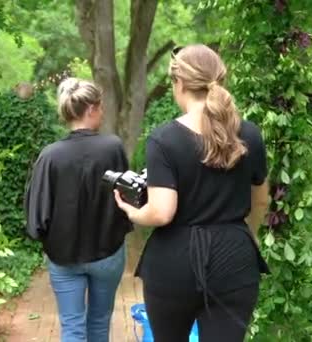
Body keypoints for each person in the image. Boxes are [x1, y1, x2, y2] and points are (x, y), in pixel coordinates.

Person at [113, 44, 270, 342]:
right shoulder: (249, 133)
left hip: (174, 262)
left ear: (179, 83)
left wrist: (132, 211)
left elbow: (161, 211)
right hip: (235, 258)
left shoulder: (164, 139)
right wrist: (248, 232)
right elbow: (260, 199)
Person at [25, 78, 132, 342]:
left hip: (63, 256)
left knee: (72, 327)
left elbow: (36, 216)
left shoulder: (50, 156)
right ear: (92, 109)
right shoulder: (113, 148)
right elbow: (129, 199)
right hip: (107, 252)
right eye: (101, 106)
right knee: (99, 323)